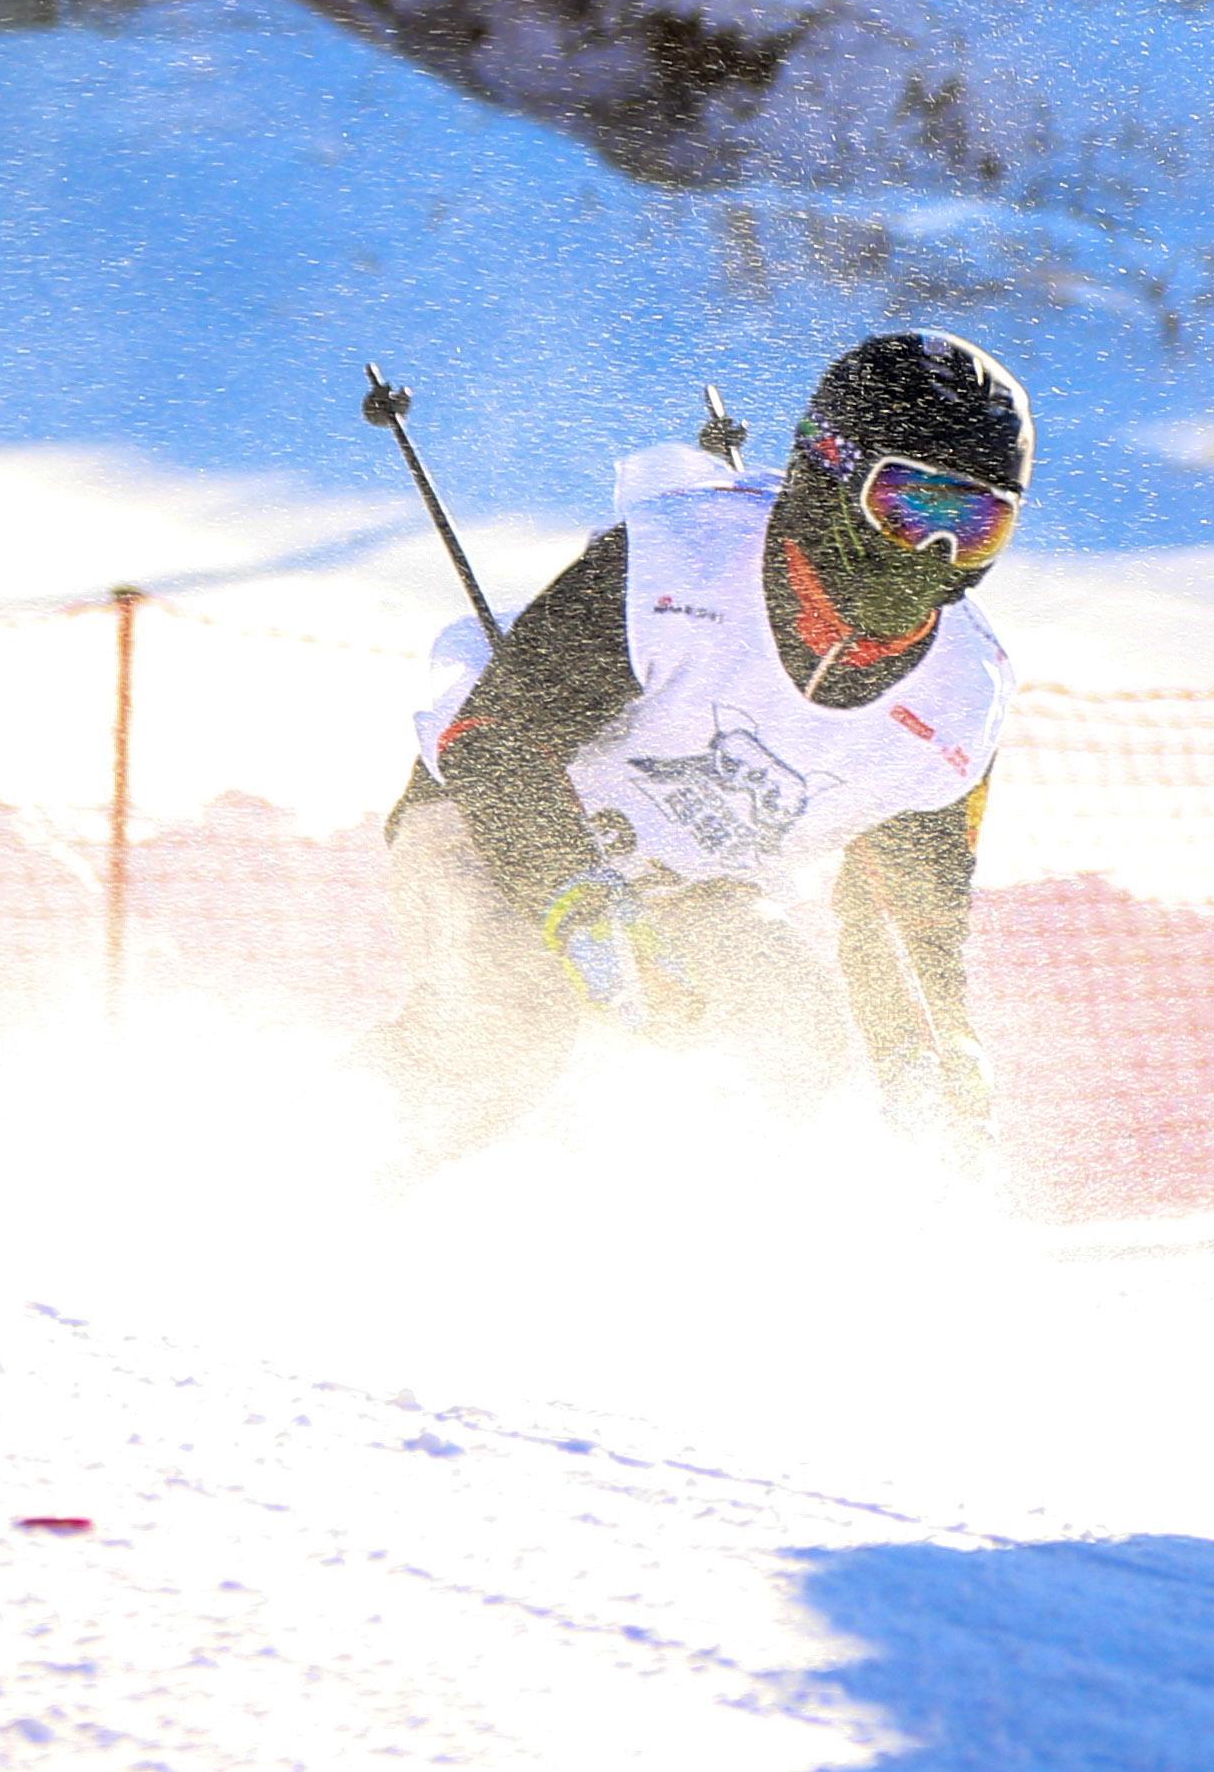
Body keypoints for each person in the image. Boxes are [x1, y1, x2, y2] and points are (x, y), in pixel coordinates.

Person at [376, 330, 1029, 1163]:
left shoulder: (962, 700)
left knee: (798, 1041)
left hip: (692, 886)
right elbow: (492, 738)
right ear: (830, 470)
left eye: (974, 527)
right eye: (911, 505)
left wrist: (926, 1052)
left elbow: (902, 916)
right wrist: (577, 899)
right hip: (498, 822)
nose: (931, 553)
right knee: (510, 1022)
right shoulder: (675, 561)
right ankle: (323, 1173)